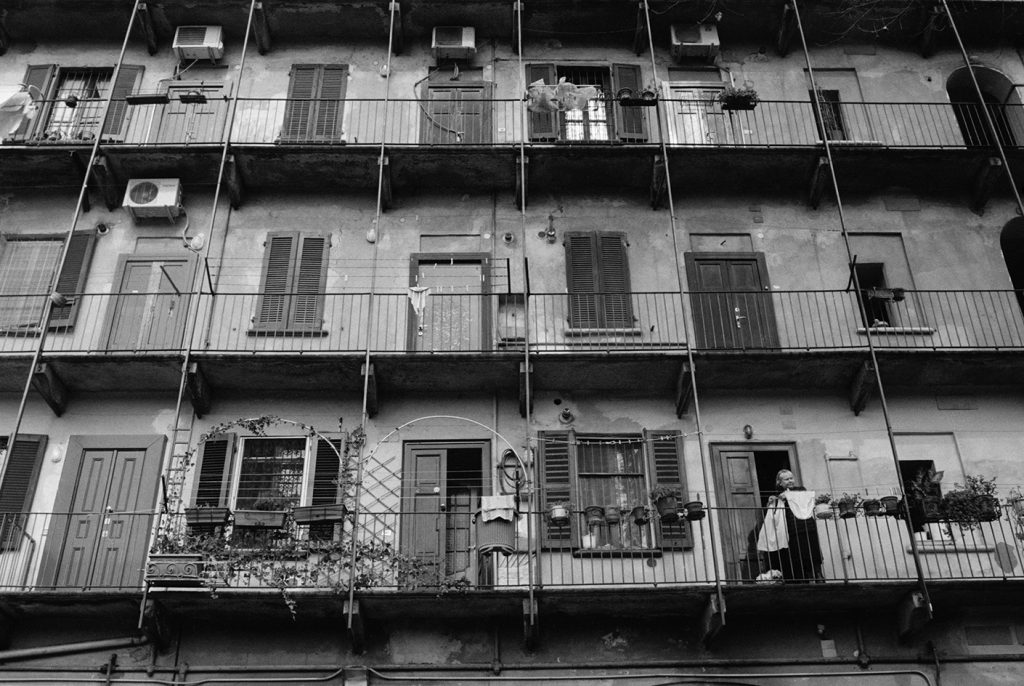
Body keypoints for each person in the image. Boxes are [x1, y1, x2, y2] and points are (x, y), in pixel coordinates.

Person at [758, 469, 823, 582]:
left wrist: (788, 495)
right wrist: (771, 502)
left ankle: (818, 575)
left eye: (791, 478)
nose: (790, 481)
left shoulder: (800, 490)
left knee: (813, 551)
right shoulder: (778, 495)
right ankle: (804, 579)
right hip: (792, 528)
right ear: (780, 482)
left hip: (807, 525)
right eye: (786, 479)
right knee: (798, 554)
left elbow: (805, 496)